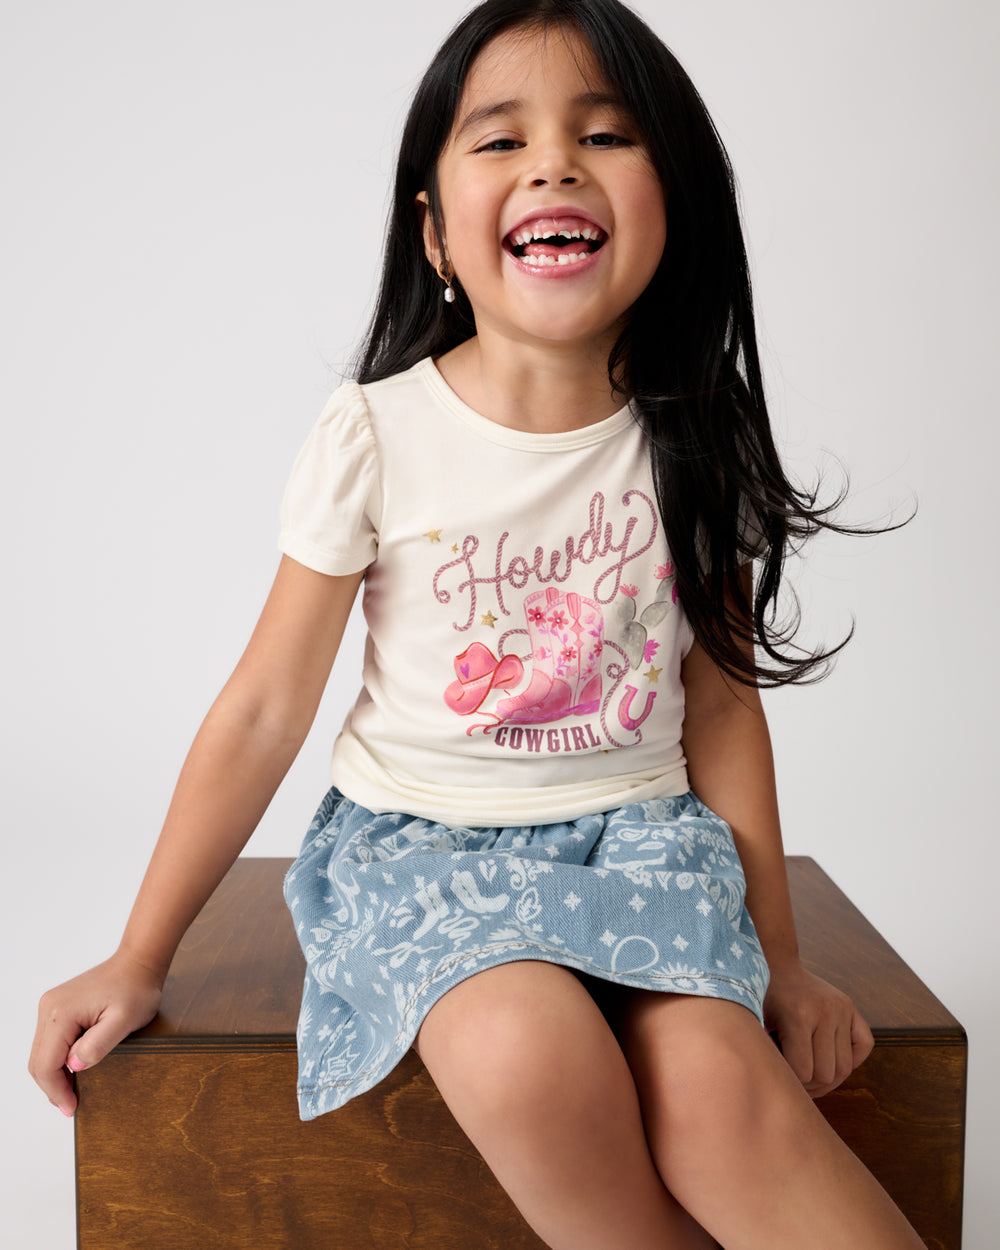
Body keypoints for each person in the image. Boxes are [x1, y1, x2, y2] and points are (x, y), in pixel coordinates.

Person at [30, 2, 924, 1246]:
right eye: (499, 141)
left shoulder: (690, 438)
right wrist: (137, 955)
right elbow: (261, 706)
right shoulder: (377, 436)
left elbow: (720, 701)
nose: (554, 160)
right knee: (520, 1050)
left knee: (722, 1087)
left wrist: (779, 959)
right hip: (425, 853)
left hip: (640, 844)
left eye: (605, 134)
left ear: (676, 205)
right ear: (435, 232)